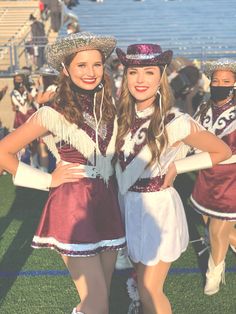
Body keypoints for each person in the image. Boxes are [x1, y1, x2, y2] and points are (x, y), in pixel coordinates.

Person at [0, 32, 126, 314]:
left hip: (106, 202)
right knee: (97, 303)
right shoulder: (51, 113)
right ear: (66, 69)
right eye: (81, 65)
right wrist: (47, 180)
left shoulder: (110, 108)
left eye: (96, 64)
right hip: (73, 204)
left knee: (100, 297)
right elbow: (2, 152)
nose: (91, 72)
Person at [114, 44, 231, 314]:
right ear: (126, 77)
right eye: (133, 72)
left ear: (161, 78)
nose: (140, 80)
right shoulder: (121, 117)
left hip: (158, 209)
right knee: (141, 286)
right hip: (128, 207)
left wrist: (179, 165)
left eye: (149, 72)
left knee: (150, 289)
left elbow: (222, 150)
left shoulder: (174, 120)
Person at [190, 58, 236, 296]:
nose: (219, 85)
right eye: (215, 80)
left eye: (226, 81)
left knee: (218, 231)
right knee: (211, 224)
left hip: (231, 180)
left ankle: (215, 273)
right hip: (206, 176)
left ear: (234, 84)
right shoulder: (203, 107)